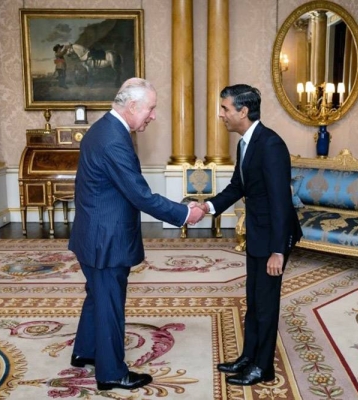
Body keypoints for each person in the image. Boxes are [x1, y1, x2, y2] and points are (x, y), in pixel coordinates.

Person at [68, 78, 205, 391]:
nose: (153, 115)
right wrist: (185, 213)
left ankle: (86, 351)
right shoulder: (114, 140)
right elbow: (141, 196)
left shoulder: (103, 128)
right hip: (106, 239)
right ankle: (112, 373)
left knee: (97, 295)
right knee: (109, 304)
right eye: (151, 108)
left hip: (93, 232)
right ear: (132, 107)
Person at [200, 84, 302, 386]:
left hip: (272, 239)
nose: (221, 115)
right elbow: (237, 186)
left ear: (243, 111)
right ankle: (249, 357)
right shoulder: (246, 142)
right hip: (258, 234)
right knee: (255, 300)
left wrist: (279, 251)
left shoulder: (270, 144)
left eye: (225, 109)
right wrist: (207, 206)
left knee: (266, 304)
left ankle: (263, 368)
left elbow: (280, 202)